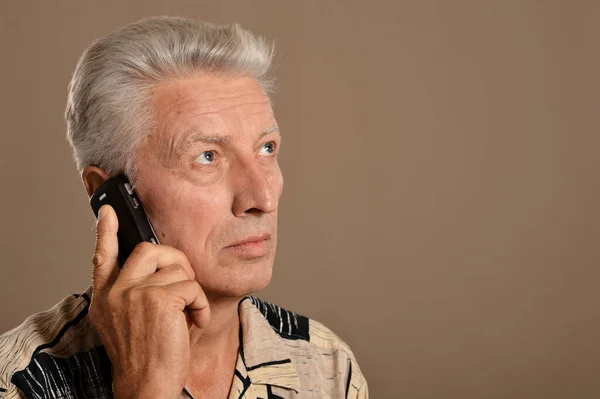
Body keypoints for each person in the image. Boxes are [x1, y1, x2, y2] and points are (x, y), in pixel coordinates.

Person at [0, 16, 368, 399]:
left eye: (267, 148)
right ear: (108, 194)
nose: (263, 198)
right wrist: (147, 388)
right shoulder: (19, 382)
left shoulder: (327, 366)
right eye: (207, 156)